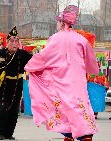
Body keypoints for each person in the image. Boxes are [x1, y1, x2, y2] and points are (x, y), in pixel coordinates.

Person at [24, 5, 99, 141]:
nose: (57, 25)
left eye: (58, 22)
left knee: (63, 107)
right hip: (77, 81)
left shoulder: (55, 38)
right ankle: (85, 134)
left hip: (60, 81)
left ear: (62, 22)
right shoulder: (81, 39)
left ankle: (69, 135)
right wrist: (91, 71)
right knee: (79, 105)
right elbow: (91, 63)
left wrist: (29, 66)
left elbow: (43, 58)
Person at [0, 26, 32, 140]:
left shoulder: (23, 54)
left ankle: (9, 134)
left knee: (14, 110)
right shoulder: (1, 52)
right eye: (12, 41)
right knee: (3, 109)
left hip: (17, 84)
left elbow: (36, 60)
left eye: (16, 41)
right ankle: (0, 133)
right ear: (7, 42)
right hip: (4, 84)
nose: (14, 43)